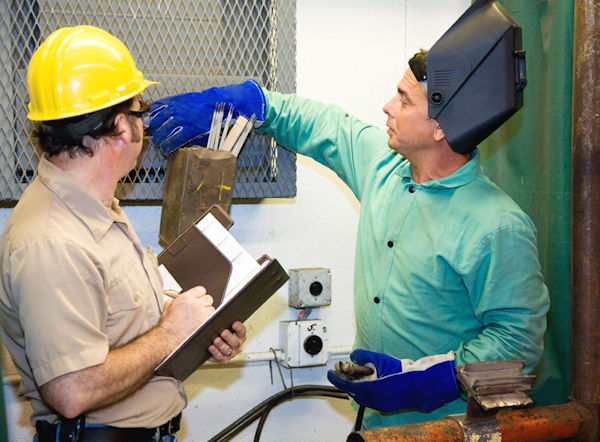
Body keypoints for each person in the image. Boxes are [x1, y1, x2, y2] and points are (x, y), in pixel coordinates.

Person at [146, 0, 549, 430]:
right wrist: (254, 101)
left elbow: (516, 342)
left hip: (447, 428)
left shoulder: (496, 226)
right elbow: (324, 125)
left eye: (403, 99)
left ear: (440, 128)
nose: (387, 107)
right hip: (376, 424)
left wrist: (426, 380)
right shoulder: (384, 166)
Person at [0, 25, 246, 441]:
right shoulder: (52, 240)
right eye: (140, 111)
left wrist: (199, 330)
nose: (144, 125)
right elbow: (71, 391)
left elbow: (122, 327)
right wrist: (172, 331)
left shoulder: (98, 208)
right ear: (119, 126)